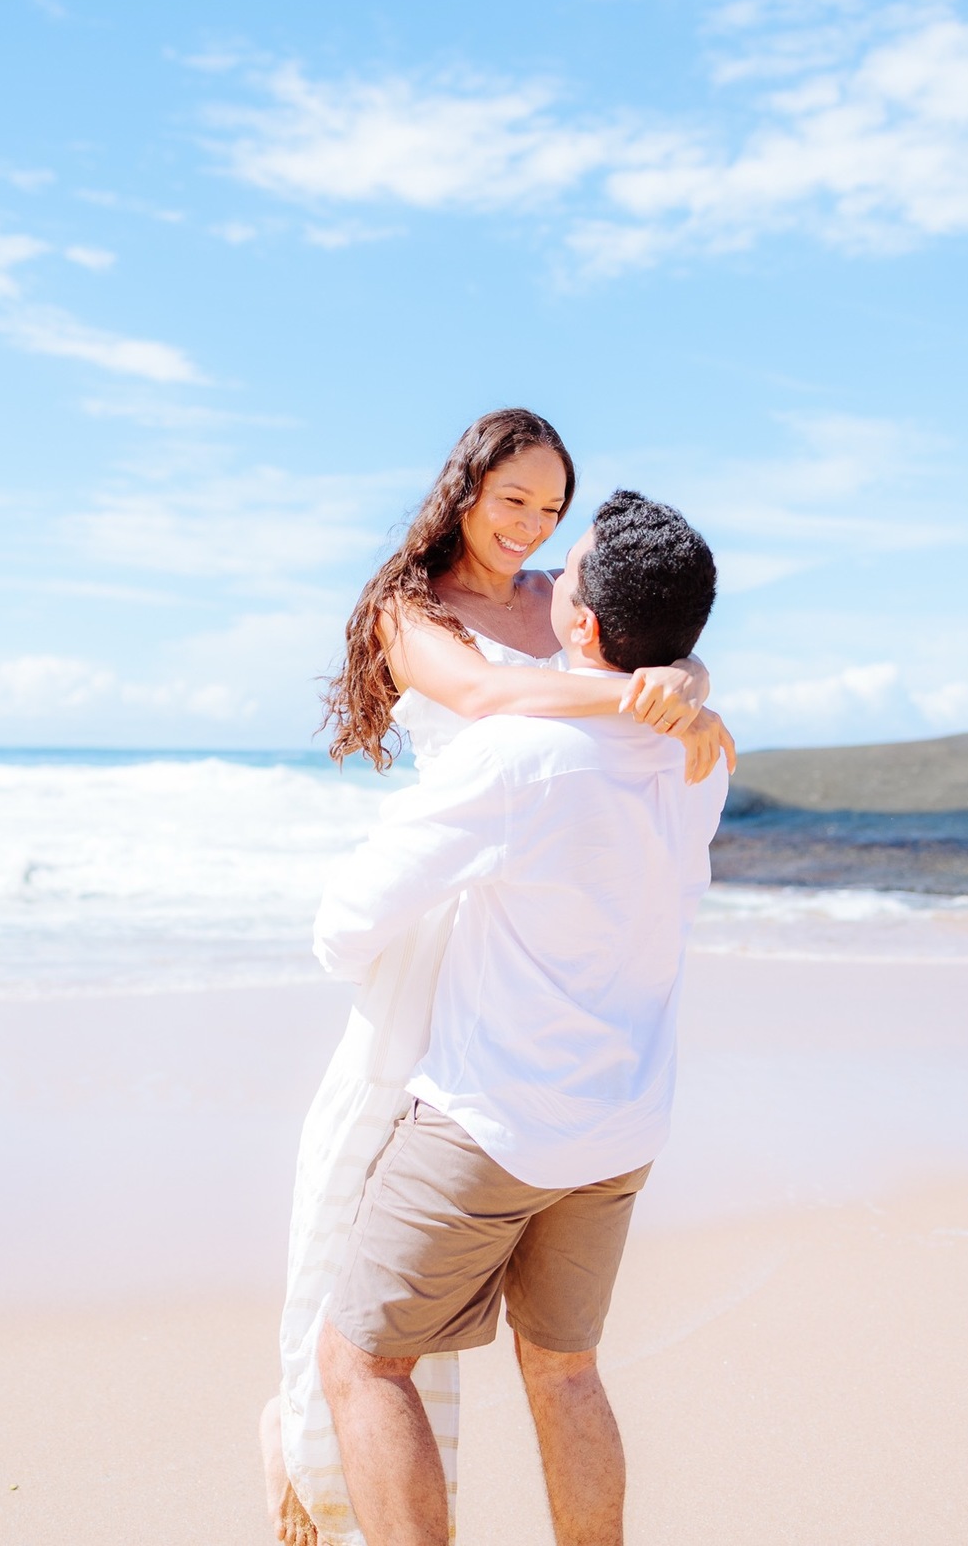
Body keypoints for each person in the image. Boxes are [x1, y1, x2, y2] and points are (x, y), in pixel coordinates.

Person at [263, 412, 734, 1545]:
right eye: (512, 499)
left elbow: (634, 641)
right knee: (353, 1217)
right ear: (462, 490)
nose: (530, 527)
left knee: (373, 1343)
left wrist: (681, 674)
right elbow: (484, 701)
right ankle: (313, 1490)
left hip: (508, 911)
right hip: (468, 920)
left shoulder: (559, 613)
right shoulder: (410, 611)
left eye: (551, 512)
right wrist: (659, 696)